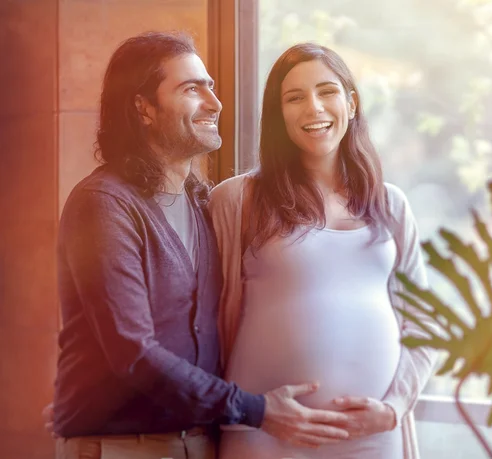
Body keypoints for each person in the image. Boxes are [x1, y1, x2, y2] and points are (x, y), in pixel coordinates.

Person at [51, 32, 351, 459]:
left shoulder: (202, 199)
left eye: (210, 86)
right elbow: (132, 352)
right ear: (144, 108)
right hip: (123, 448)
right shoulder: (104, 205)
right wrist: (257, 410)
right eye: (192, 88)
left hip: (198, 443)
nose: (215, 103)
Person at [208, 43, 438, 459]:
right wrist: (248, 412)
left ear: (351, 103)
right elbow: (200, 324)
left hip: (372, 438)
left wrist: (393, 410)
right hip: (264, 433)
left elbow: (425, 328)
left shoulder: (391, 205)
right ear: (279, 117)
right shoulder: (236, 200)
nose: (313, 107)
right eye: (294, 98)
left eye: (327, 91)